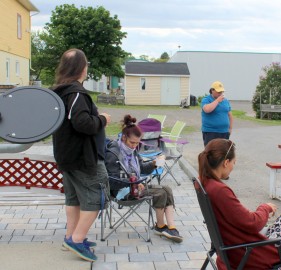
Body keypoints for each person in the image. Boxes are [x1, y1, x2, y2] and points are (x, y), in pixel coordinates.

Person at [198, 139, 281, 269]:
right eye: (233, 163)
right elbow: (252, 223)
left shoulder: (204, 183)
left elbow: (240, 219)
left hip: (239, 246)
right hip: (250, 251)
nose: (233, 166)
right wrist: (265, 208)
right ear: (226, 163)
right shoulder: (219, 191)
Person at [52, 48, 111, 262]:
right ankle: (76, 240)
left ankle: (71, 235)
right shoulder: (76, 93)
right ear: (82, 68)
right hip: (83, 159)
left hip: (66, 156)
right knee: (96, 199)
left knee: (74, 199)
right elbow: (82, 123)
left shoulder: (58, 91)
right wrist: (103, 119)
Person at [104, 114, 183, 243]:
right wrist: (132, 183)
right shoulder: (114, 153)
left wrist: (154, 163)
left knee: (167, 188)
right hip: (121, 192)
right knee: (160, 192)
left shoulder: (131, 150)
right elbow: (112, 180)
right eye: (132, 142)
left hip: (134, 186)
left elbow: (141, 167)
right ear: (123, 138)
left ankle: (171, 227)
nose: (134, 146)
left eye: (137, 143)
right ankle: (160, 226)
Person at [201, 81, 233, 146]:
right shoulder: (206, 99)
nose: (220, 93)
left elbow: (229, 115)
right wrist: (217, 101)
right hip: (211, 132)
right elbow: (207, 110)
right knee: (211, 152)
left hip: (224, 132)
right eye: (218, 92)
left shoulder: (225, 101)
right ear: (212, 90)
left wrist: (230, 128)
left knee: (223, 152)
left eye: (221, 91)